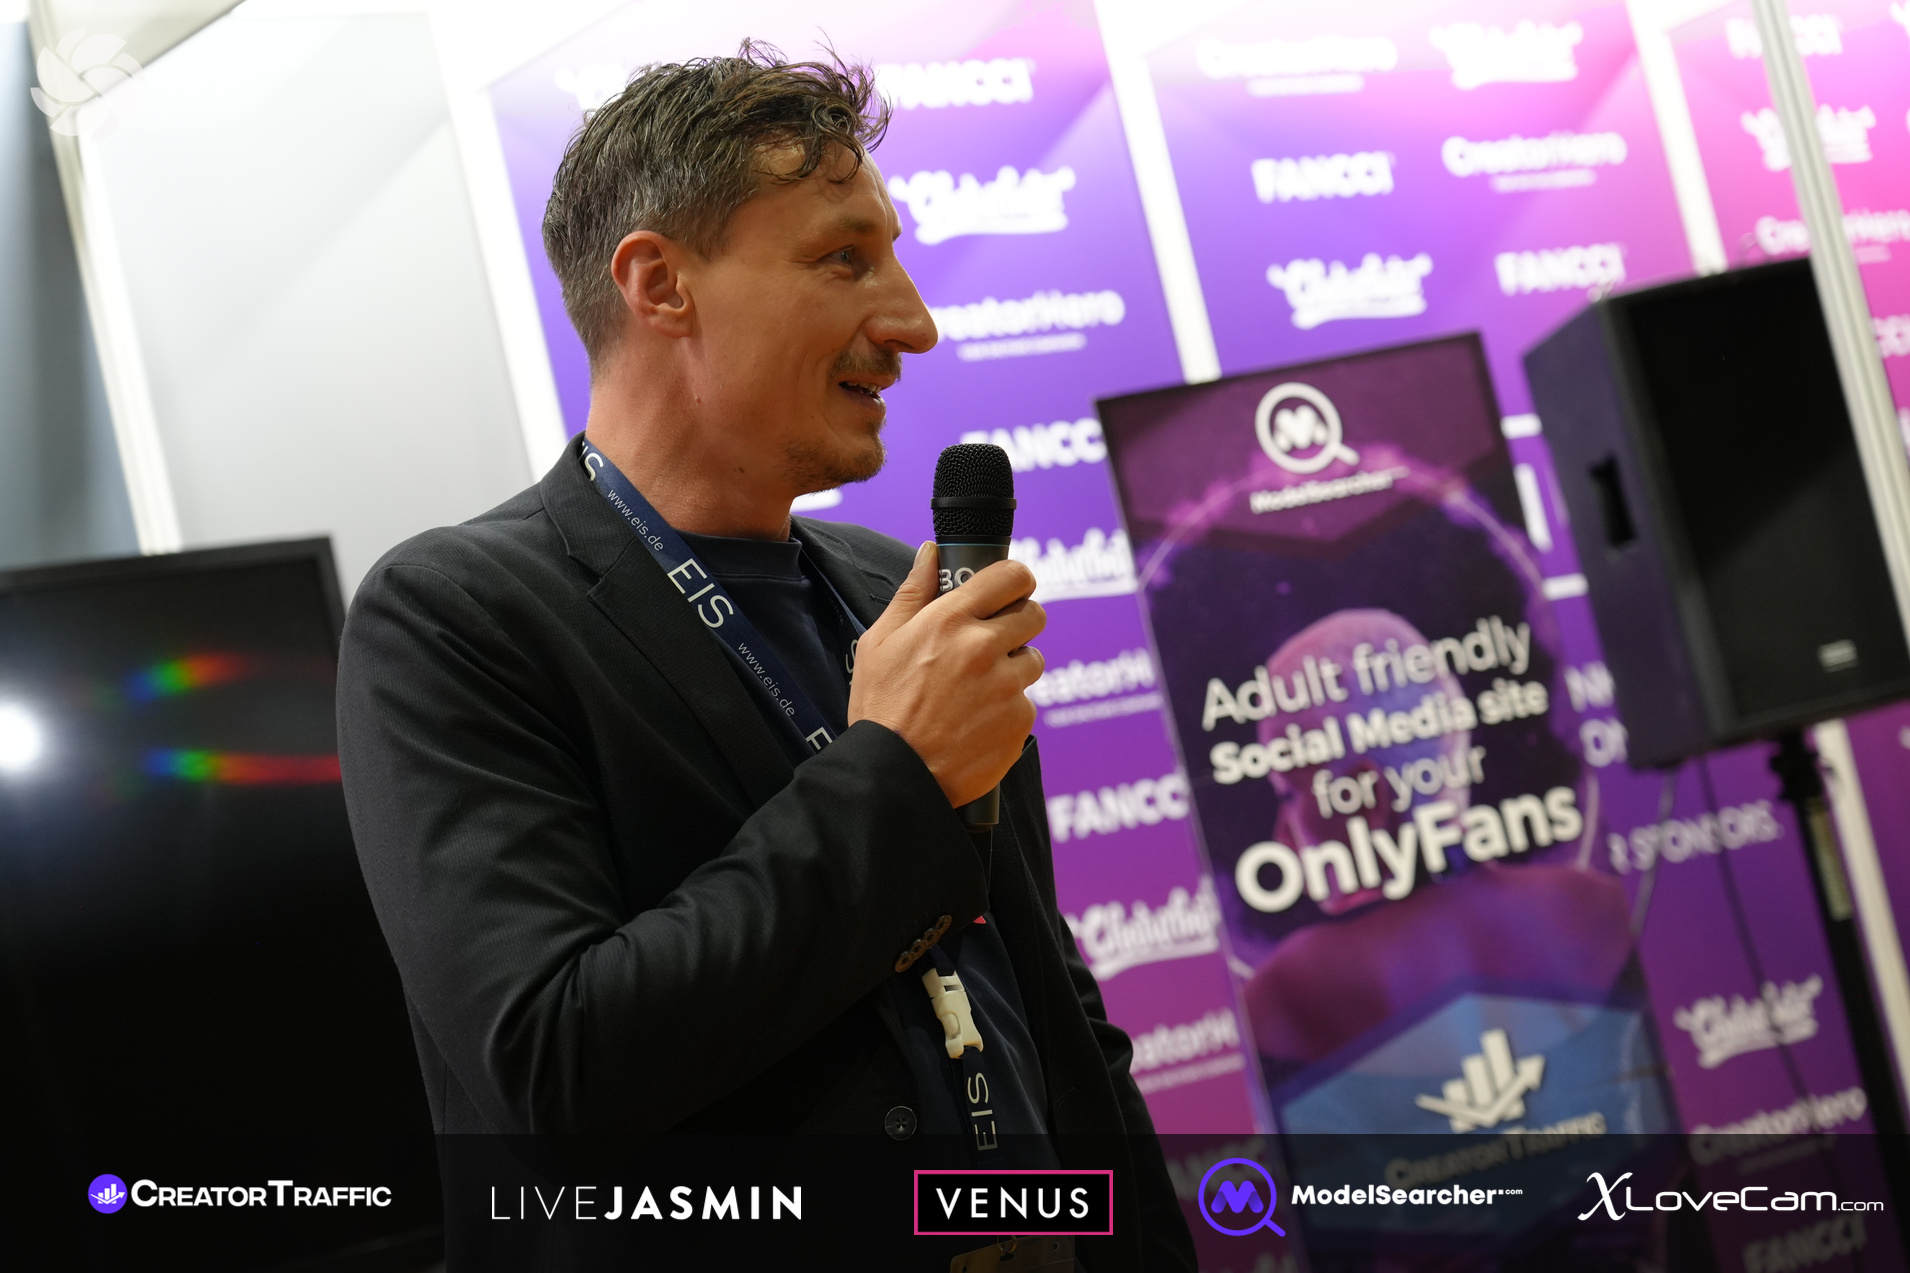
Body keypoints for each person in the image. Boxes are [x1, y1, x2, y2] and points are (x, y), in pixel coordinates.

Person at [335, 43, 1193, 1272]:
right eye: (844, 259)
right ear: (659, 284)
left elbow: (1048, 1004)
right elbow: (556, 1072)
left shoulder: (883, 587)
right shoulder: (455, 617)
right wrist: (891, 770)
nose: (912, 323)